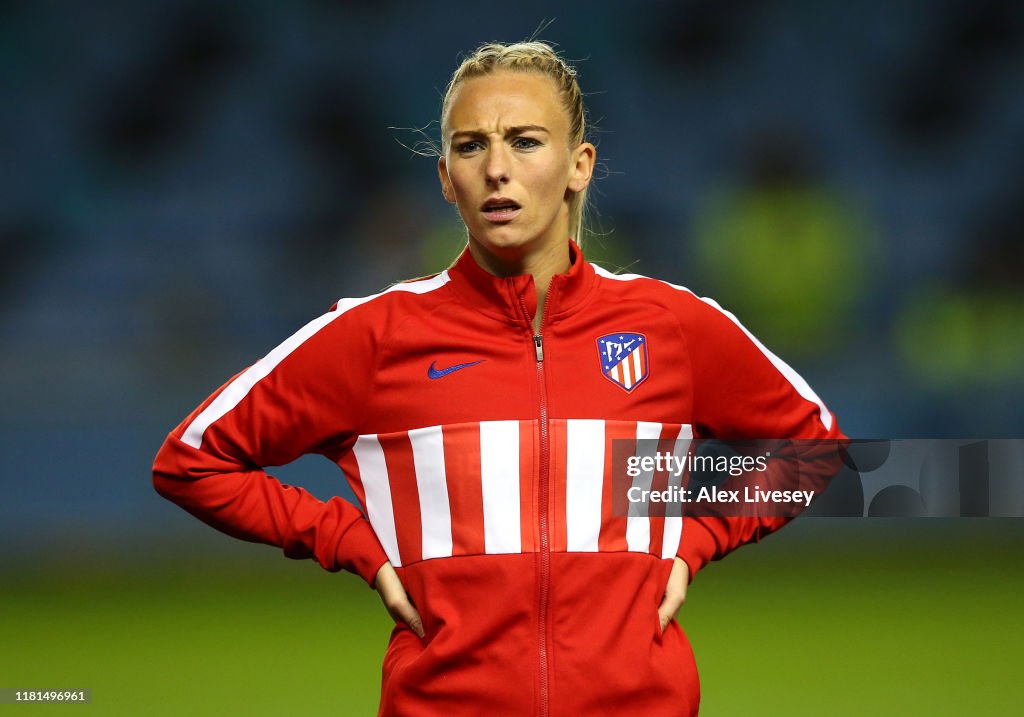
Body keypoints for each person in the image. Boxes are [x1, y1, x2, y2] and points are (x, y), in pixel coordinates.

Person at [153, 40, 846, 716]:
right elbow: (191, 460)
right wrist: (349, 542)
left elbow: (815, 447)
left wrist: (696, 539)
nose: (496, 169)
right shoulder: (376, 334)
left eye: (525, 140)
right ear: (445, 177)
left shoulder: (671, 325)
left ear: (579, 166)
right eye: (470, 145)